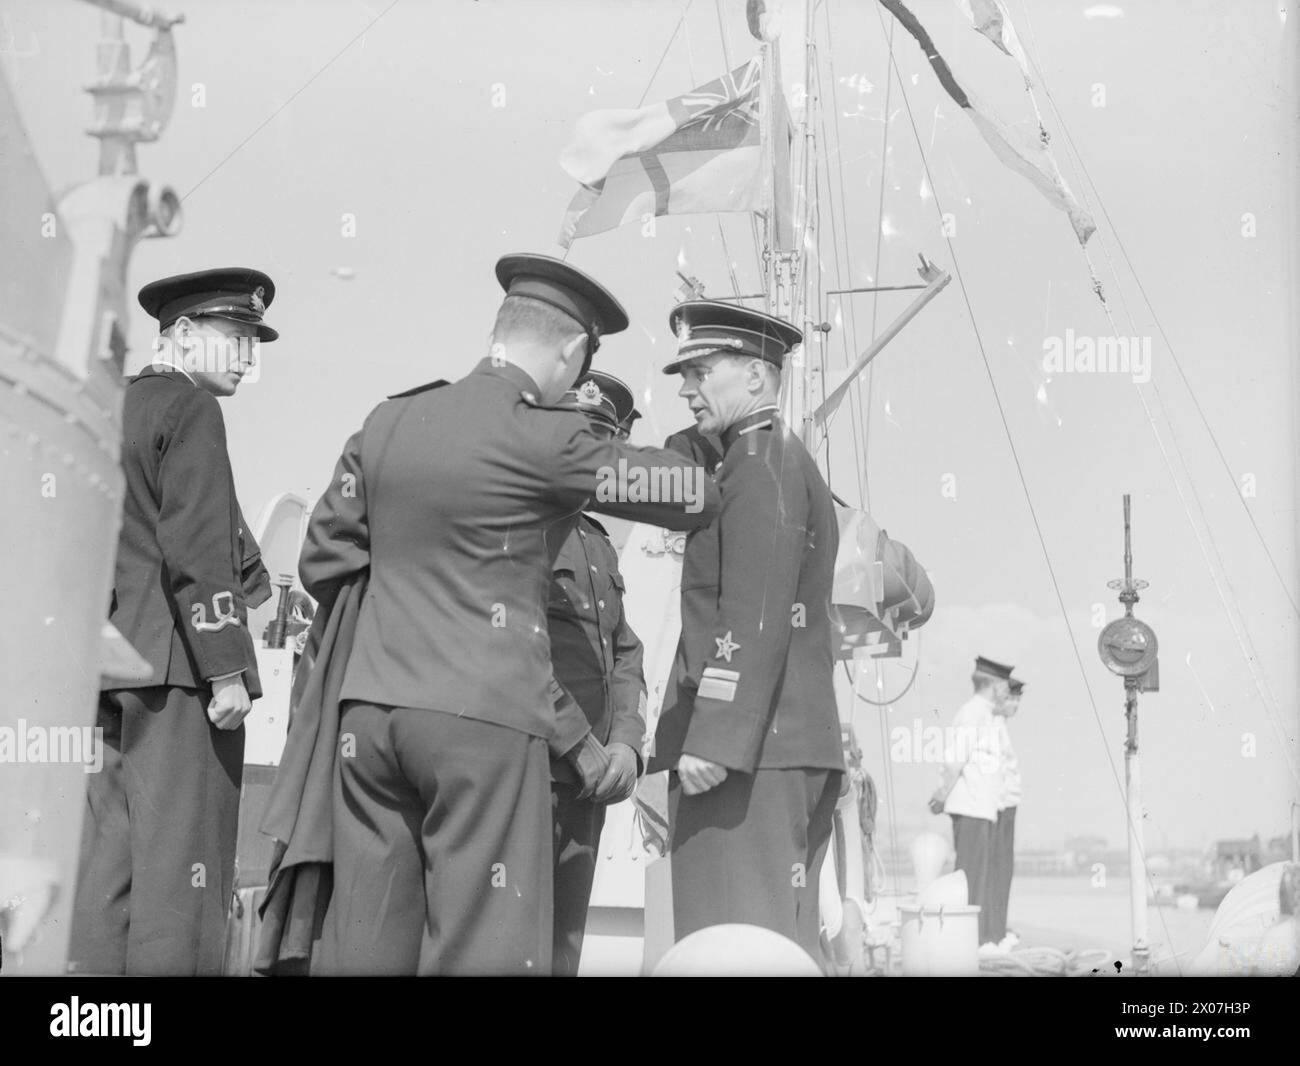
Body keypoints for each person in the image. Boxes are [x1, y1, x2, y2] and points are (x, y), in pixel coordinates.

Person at [298, 254, 718, 975]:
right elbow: (688, 496)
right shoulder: (547, 437)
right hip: (480, 727)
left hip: (368, 721)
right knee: (482, 946)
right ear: (570, 351)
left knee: (369, 940)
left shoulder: (389, 420)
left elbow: (322, 560)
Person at [69, 268, 278, 975]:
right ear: (184, 335)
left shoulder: (106, 408)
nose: (249, 356)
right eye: (236, 338)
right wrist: (227, 670)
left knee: (107, 878)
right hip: (181, 674)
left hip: (106, 669)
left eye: (254, 342)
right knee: (184, 882)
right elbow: (197, 551)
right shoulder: (191, 412)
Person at [649, 300, 845, 966]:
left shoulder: (758, 465)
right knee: (774, 948)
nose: (684, 389)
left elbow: (754, 611)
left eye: (701, 372)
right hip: (779, 745)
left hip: (747, 757)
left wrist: (714, 735)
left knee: (729, 950)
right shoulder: (761, 457)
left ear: (757, 378)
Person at [544, 371, 646, 976]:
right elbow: (512, 652)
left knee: (565, 944)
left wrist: (626, 744)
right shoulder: (516, 528)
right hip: (532, 772)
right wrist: (579, 745)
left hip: (593, 781)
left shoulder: (597, 540)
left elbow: (625, 650)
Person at [930, 655, 1010, 949]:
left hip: (982, 807)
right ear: (991, 683)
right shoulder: (973, 712)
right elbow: (954, 759)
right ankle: (968, 944)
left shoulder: (987, 714)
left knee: (979, 878)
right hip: (971, 806)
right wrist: (941, 793)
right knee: (970, 879)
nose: (1006, 688)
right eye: (1003, 683)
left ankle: (977, 942)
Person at [987, 675, 1023, 948]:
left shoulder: (1001, 727)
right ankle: (992, 933)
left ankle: (997, 930)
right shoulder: (992, 727)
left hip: (1006, 808)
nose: (1016, 705)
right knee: (997, 871)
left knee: (1004, 872)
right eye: (1012, 699)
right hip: (998, 810)